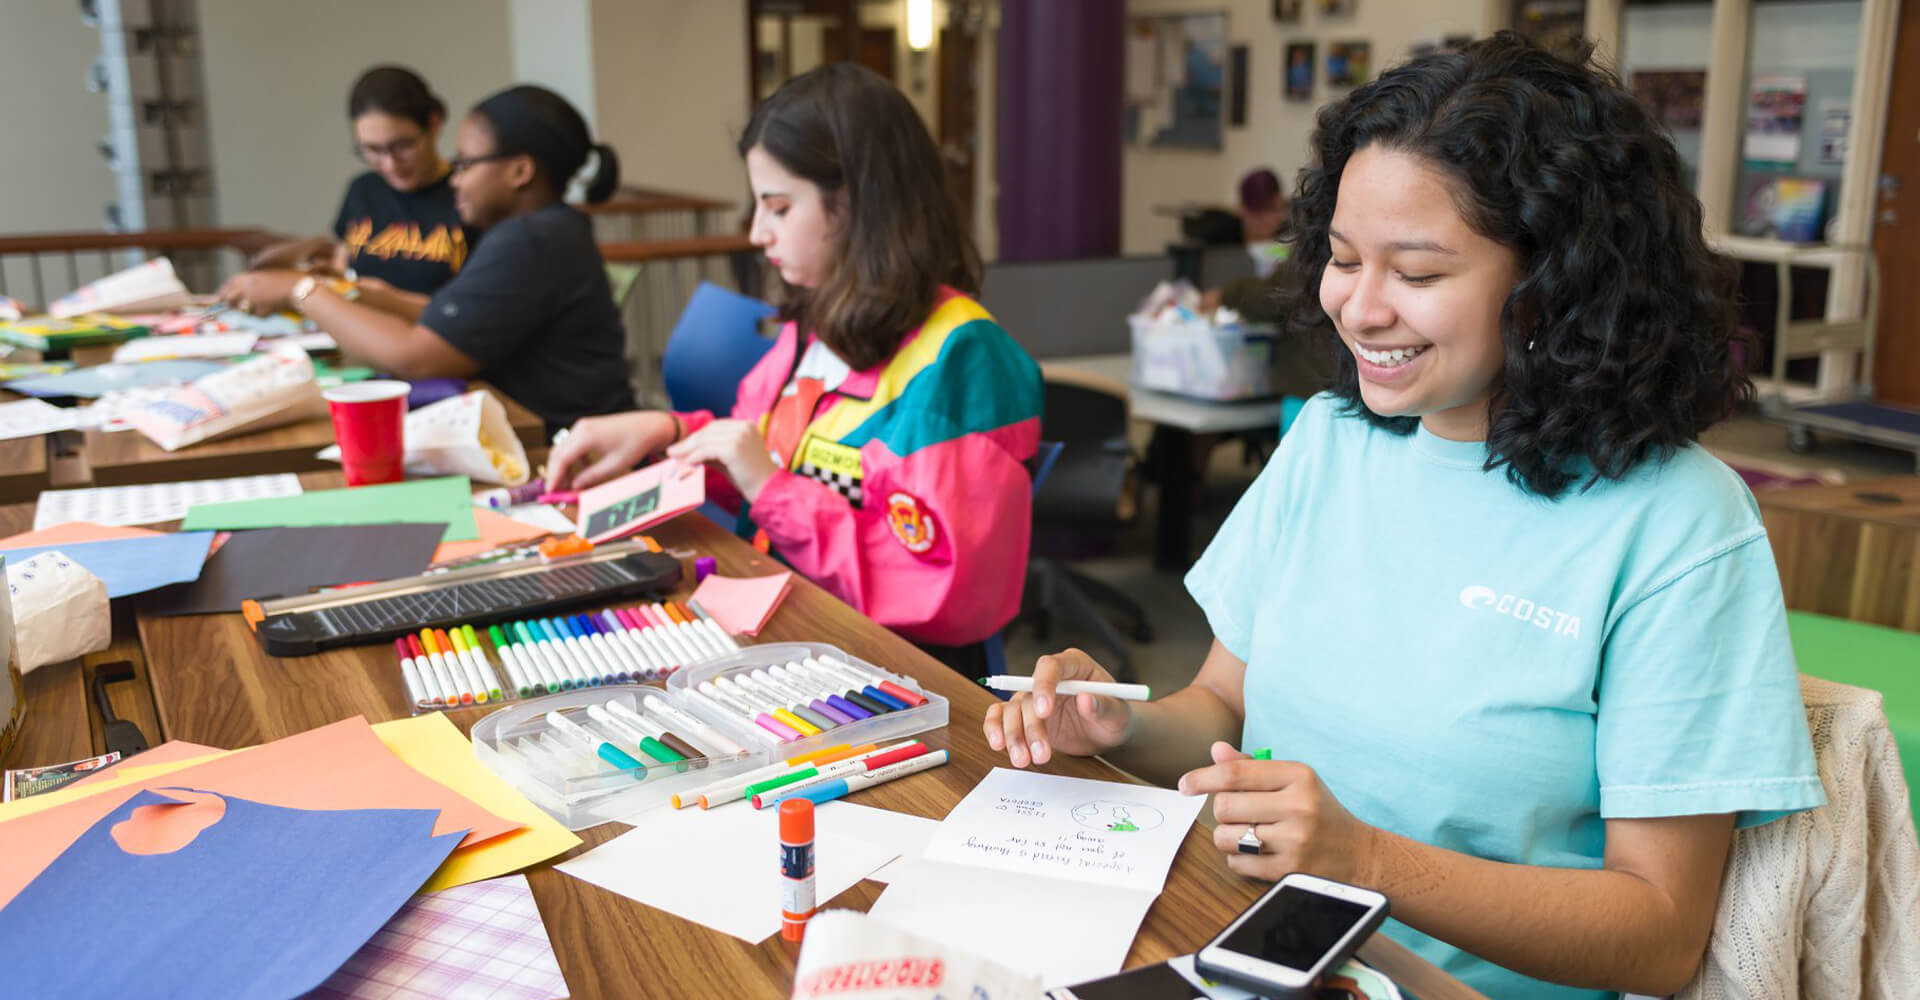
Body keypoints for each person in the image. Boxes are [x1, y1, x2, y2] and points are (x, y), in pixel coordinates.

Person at [983, 34, 1822, 1000]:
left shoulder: (1678, 525)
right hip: (1256, 946)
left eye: (1417, 276)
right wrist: (1117, 728)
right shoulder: (1332, 440)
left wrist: (1368, 863)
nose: (1359, 308)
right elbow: (1222, 707)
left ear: (1556, 285)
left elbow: (1662, 934)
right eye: (1342, 260)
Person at [546, 63, 1042, 677]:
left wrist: (770, 490)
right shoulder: (817, 326)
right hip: (797, 625)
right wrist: (667, 434)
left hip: (897, 671)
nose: (757, 233)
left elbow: (934, 584)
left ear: (859, 204)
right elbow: (772, 453)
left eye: (777, 207)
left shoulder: (962, 361)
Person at [220, 84, 635, 433]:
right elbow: (459, 321)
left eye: (467, 165)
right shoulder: (541, 231)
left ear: (519, 171)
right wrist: (370, 296)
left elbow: (417, 358)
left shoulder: (533, 240)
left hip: (561, 445)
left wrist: (299, 289)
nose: (455, 179)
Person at [248, 66, 474, 315]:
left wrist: (387, 300)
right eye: (372, 150)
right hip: (361, 337)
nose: (390, 164)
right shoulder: (363, 190)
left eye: (403, 145)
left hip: (432, 342)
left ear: (434, 124)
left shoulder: (468, 193)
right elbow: (343, 269)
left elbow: (476, 312)